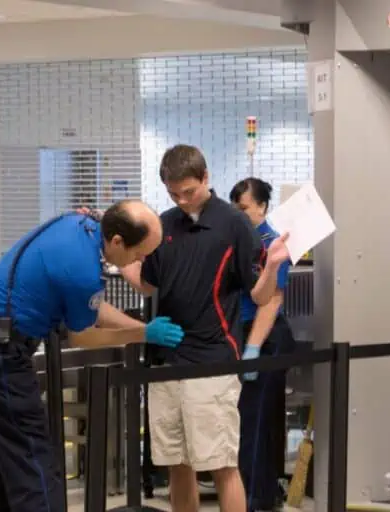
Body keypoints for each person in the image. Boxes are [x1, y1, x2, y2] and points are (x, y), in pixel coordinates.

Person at [0, 200, 185, 512]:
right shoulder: (82, 270)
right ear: (117, 240)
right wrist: (142, 334)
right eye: (138, 254)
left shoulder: (82, 224)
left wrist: (141, 326)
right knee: (32, 459)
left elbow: (91, 306)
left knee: (2, 456)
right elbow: (82, 336)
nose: (139, 261)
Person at [119, 144, 290, 512]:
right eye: (173, 193)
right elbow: (148, 282)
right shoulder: (162, 225)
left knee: (221, 464)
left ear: (206, 178)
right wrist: (118, 255)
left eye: (189, 191)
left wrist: (273, 266)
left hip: (213, 362)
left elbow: (260, 296)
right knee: (177, 465)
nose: (182, 200)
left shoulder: (234, 224)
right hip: (168, 363)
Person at [229, 177, 295, 512]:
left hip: (265, 338)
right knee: (249, 421)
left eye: (244, 209)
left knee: (255, 423)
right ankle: (257, 496)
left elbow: (272, 301)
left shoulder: (272, 243)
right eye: (234, 209)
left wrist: (253, 349)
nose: (238, 215)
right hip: (244, 336)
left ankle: (256, 500)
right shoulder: (243, 240)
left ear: (262, 207)